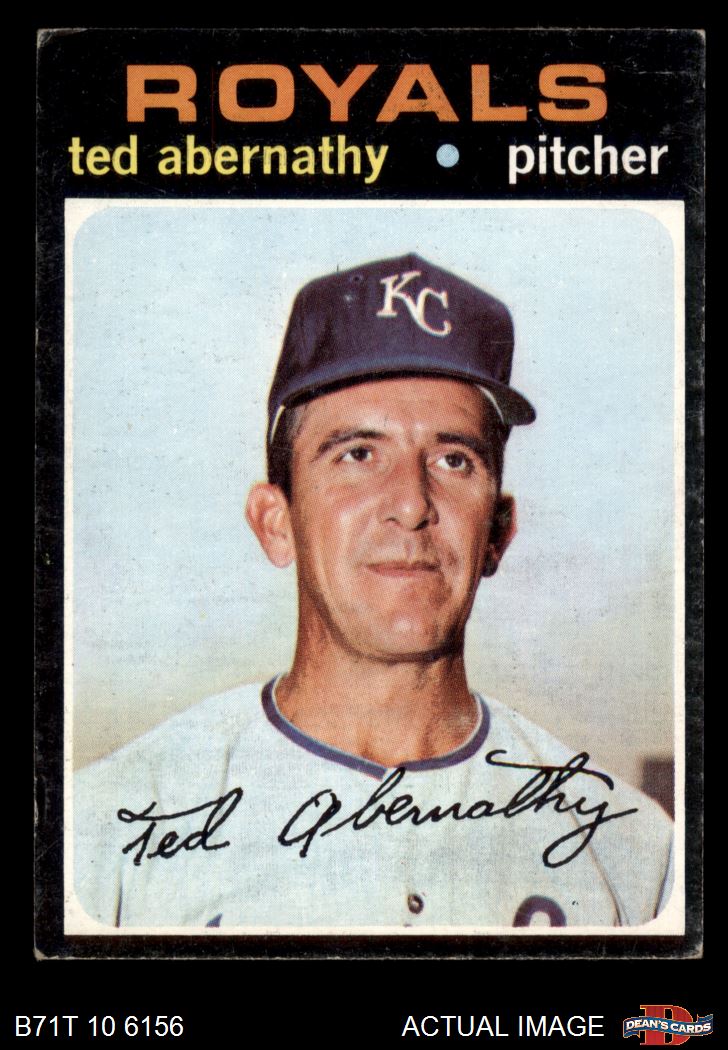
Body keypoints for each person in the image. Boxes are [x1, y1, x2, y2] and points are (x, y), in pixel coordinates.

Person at [73, 253, 673, 930]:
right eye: (358, 454)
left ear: (498, 531)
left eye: (454, 460)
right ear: (276, 523)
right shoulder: (109, 830)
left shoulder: (635, 852)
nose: (412, 504)